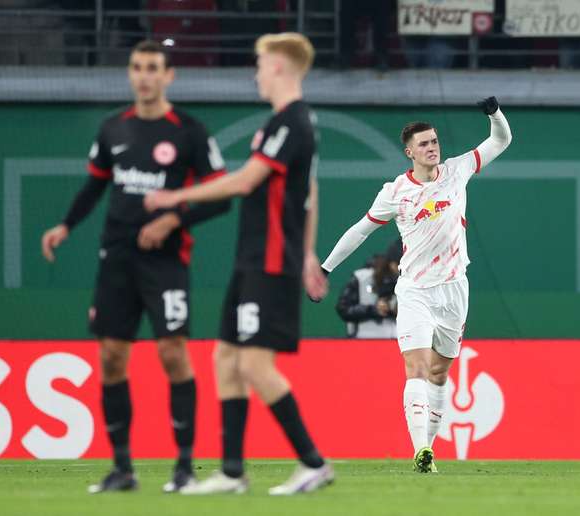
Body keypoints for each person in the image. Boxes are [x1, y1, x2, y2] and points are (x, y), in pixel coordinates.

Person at [144, 32, 333, 495]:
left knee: (254, 364)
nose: (255, 73)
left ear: (280, 68)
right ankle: (232, 472)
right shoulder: (284, 123)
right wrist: (309, 252)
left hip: (269, 260)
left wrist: (176, 196)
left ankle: (313, 462)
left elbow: (245, 181)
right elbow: (309, 192)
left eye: (260, 64)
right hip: (253, 258)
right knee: (225, 357)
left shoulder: (291, 122)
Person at [40, 40, 230, 493]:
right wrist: (65, 225)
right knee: (111, 358)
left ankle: (184, 467)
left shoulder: (189, 131)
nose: (144, 76)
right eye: (137, 68)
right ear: (130, 74)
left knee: (172, 353)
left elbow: (220, 195)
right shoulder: (113, 129)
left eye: (152, 68)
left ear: (169, 76)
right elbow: (95, 186)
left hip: (166, 262)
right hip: (117, 259)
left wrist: (171, 219)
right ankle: (122, 469)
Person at [316, 97, 512, 472]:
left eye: (435, 141)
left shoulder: (458, 170)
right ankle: (421, 448)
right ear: (410, 152)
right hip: (415, 291)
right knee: (417, 368)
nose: (432, 148)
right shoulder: (395, 192)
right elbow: (360, 231)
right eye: (424, 144)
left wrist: (494, 114)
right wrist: (325, 268)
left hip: (454, 289)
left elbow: (500, 140)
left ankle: (430, 452)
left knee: (440, 373)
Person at [336, 252, 398, 338]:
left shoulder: (404, 279)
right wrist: (373, 309)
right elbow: (344, 309)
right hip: (363, 341)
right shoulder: (361, 277)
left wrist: (398, 310)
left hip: (395, 341)